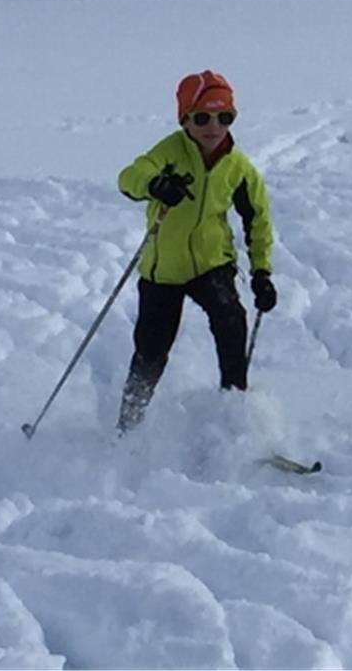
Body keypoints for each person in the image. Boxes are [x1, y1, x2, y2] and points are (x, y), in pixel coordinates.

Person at [115, 70, 277, 432]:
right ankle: (128, 423)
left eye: (225, 118)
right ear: (185, 119)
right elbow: (129, 177)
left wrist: (262, 272)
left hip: (212, 264)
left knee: (231, 322)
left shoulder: (238, 168)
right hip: (162, 270)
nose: (213, 127)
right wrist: (155, 184)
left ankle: (234, 413)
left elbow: (258, 221)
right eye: (202, 117)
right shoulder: (169, 152)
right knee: (151, 350)